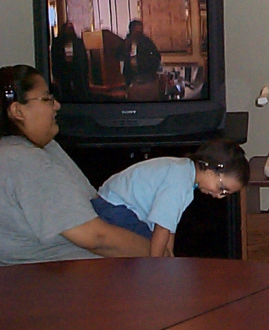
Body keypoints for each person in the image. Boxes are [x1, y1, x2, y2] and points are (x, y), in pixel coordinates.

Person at [0, 64, 150, 265]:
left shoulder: (44, 147)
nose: (57, 106)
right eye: (46, 99)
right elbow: (96, 238)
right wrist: (159, 255)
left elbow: (95, 202)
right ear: (18, 111)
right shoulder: (22, 160)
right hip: (65, 281)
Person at [91, 139, 250, 257]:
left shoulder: (184, 171)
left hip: (114, 203)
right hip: (114, 208)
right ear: (210, 170)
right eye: (222, 189)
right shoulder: (179, 182)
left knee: (164, 253)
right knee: (147, 249)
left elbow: (169, 226)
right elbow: (162, 228)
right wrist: (158, 266)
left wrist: (170, 256)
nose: (220, 196)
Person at [50, 21, 90, 101]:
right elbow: (54, 58)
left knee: (80, 92)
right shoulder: (57, 42)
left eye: (70, 28)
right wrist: (55, 73)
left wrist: (85, 71)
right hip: (63, 70)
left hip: (77, 69)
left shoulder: (78, 41)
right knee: (66, 92)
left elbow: (83, 57)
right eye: (67, 28)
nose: (69, 30)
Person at [116, 19, 161, 87]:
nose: (139, 32)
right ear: (131, 30)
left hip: (145, 75)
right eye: (136, 30)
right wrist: (126, 48)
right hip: (130, 75)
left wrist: (152, 70)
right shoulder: (126, 42)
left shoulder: (146, 42)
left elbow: (157, 56)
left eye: (140, 29)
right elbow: (119, 56)